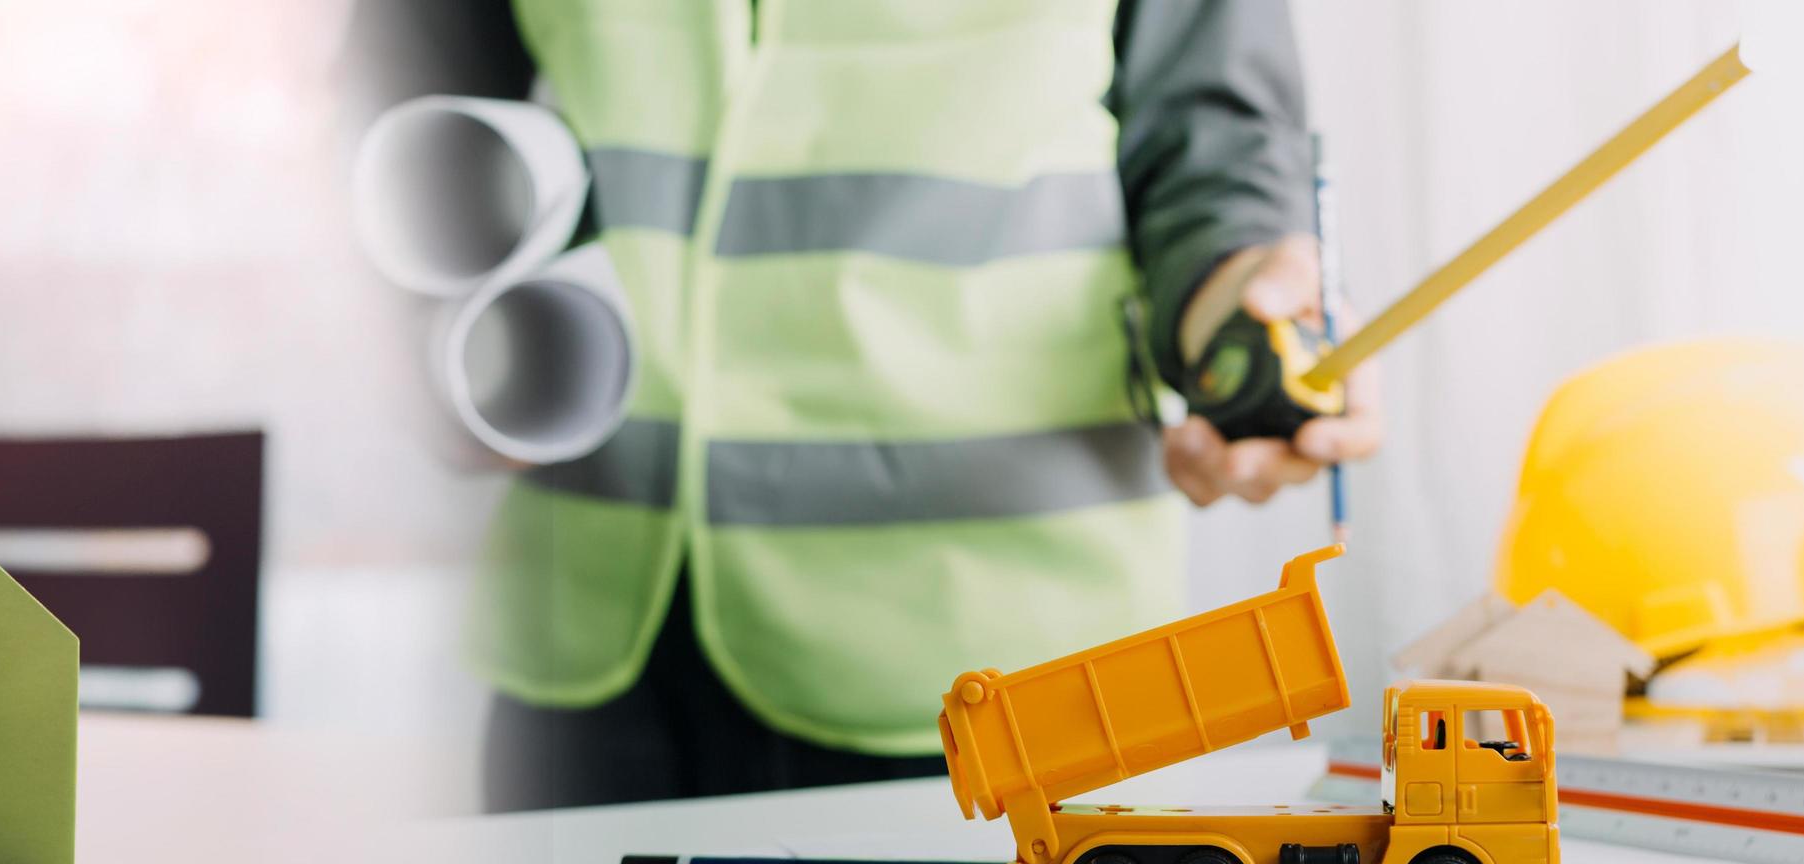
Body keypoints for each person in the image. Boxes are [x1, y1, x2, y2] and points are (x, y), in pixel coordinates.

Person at [348, 0, 1385, 810]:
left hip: (1007, 669)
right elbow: (405, 83)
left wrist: (1243, 321)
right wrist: (415, 337)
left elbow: (1207, 148)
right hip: (591, 636)